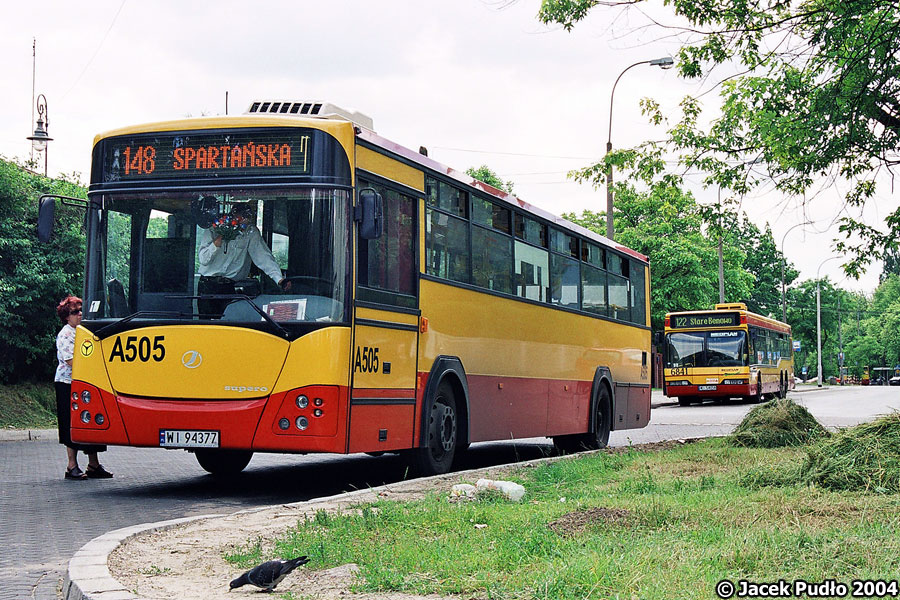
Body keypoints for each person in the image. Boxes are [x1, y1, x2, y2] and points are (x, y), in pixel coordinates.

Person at [196, 201, 290, 317]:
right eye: (241, 217)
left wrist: (279, 279)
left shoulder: (250, 232)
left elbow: (263, 257)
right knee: (205, 326)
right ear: (233, 216)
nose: (244, 221)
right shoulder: (214, 229)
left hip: (229, 286)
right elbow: (203, 259)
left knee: (229, 323)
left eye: (248, 217)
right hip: (207, 285)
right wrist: (217, 242)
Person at [55, 295, 113, 480]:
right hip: (67, 383)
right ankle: (71, 465)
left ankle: (93, 465)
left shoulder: (85, 332)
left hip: (87, 382)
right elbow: (71, 360)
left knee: (90, 420)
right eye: (74, 312)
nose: (79, 315)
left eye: (81, 311)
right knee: (69, 422)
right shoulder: (66, 334)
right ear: (66, 316)